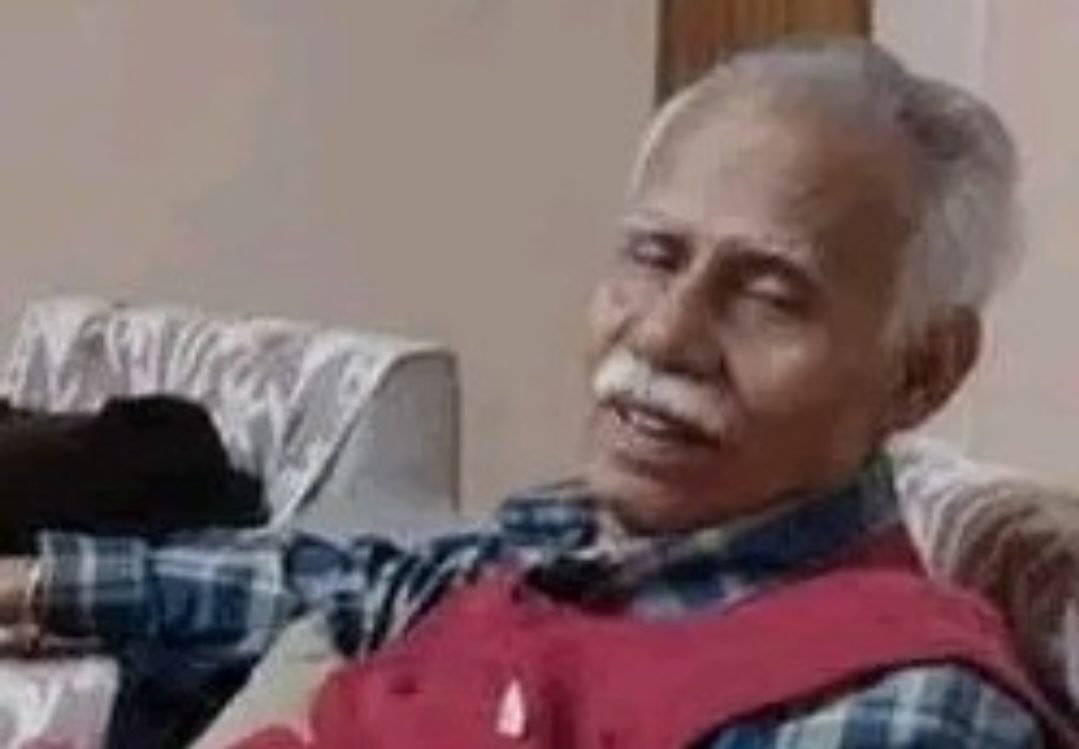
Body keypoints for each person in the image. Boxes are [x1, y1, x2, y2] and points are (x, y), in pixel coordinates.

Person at [0, 36, 1067, 747]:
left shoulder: (898, 701)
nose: (663, 332)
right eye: (652, 255)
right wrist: (40, 585)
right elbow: (343, 583)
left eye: (768, 295)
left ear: (920, 370)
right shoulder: (571, 553)